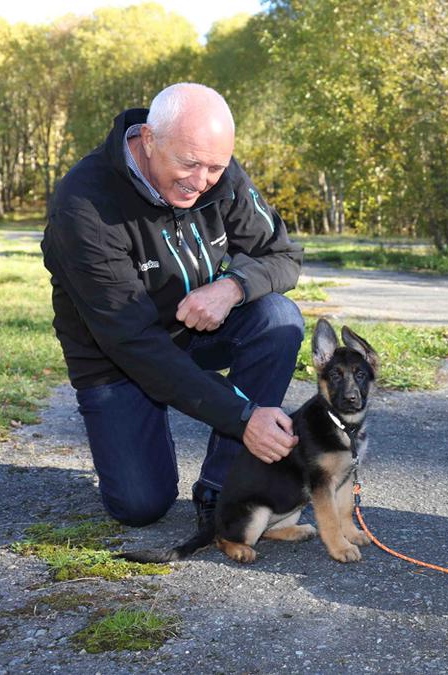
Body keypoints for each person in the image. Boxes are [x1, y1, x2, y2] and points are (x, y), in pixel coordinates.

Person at [42, 83, 305, 529]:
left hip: (200, 329)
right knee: (142, 506)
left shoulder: (217, 169)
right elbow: (134, 342)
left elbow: (283, 256)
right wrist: (244, 418)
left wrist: (233, 288)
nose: (201, 182)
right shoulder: (83, 205)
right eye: (189, 164)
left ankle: (225, 486)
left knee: (278, 318)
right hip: (118, 357)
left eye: (214, 168)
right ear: (148, 139)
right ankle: (143, 429)